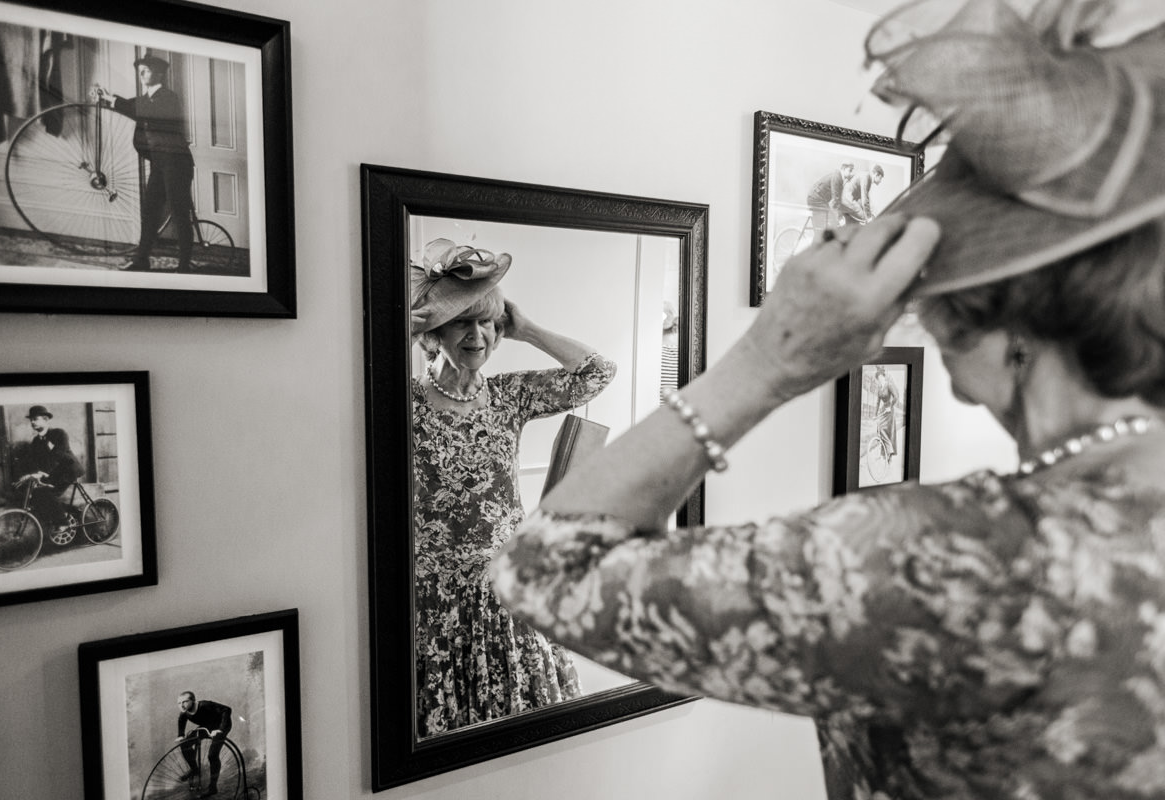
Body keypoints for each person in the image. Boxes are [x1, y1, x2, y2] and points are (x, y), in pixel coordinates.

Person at [491, 2, 1165, 798]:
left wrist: (769, 360)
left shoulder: (970, 558)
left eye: (931, 295)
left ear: (992, 318)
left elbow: (545, 569)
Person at [409, 238, 616, 738]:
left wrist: (525, 328)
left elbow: (597, 373)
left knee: (521, 738)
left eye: (487, 321)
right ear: (433, 334)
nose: (478, 335)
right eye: (462, 321)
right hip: (436, 602)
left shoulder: (508, 396)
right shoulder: (404, 401)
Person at [95, 54, 195, 273]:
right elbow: (130, 106)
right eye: (140, 70)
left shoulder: (168, 97)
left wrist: (114, 101)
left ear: (158, 73)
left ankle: (184, 265)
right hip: (160, 164)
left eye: (146, 70)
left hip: (177, 164)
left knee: (179, 214)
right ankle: (142, 260)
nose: (141, 74)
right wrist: (105, 97)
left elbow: (142, 109)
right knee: (150, 211)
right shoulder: (145, 99)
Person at [12, 405, 83, 537]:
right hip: (53, 472)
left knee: (46, 492)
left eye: (36, 419)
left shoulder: (59, 434)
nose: (32, 422)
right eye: (31, 420)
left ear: (46, 420)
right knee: (37, 492)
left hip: (68, 470)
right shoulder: (36, 441)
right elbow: (33, 461)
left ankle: (63, 523)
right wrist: (28, 475)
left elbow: (57, 455)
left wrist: (41, 473)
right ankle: (66, 511)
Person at [175, 691, 232, 798]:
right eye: (179, 703)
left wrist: (220, 729)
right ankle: (194, 769)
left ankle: (212, 788)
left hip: (221, 725)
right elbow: (181, 720)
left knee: (212, 755)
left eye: (184, 702)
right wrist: (181, 735)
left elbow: (227, 709)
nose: (181, 705)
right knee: (185, 744)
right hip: (206, 726)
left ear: (193, 701)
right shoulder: (184, 712)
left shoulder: (205, 705)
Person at [806, 162, 855, 237]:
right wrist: (840, 218)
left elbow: (839, 200)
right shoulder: (837, 177)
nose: (851, 174)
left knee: (830, 220)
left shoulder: (839, 178)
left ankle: (822, 240)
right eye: (850, 170)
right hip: (816, 199)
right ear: (844, 169)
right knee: (825, 225)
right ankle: (819, 243)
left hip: (818, 199)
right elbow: (836, 199)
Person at [872, 364, 899, 462]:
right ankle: (886, 453)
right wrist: (875, 415)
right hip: (884, 409)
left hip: (890, 410)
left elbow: (896, 396)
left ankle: (889, 453)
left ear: (883, 376)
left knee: (887, 431)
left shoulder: (889, 384)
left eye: (880, 377)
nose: (879, 379)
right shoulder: (879, 389)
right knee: (879, 428)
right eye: (878, 378)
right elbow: (877, 402)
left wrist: (890, 406)